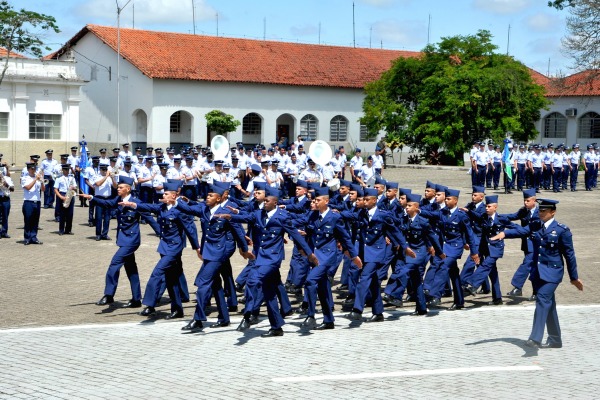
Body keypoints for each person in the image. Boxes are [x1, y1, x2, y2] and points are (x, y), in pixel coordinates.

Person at [217, 186, 317, 337]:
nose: (264, 203)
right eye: (263, 200)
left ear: (275, 202)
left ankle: (249, 313)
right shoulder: (259, 214)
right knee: (270, 293)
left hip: (273, 258)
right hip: (260, 257)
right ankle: (276, 327)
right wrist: (231, 216)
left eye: (267, 200)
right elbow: (246, 217)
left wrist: (309, 254)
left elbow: (295, 235)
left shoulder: (282, 216)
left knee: (253, 280)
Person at [491, 199, 583, 349]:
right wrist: (504, 234)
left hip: (553, 273)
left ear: (552, 212)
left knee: (542, 299)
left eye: (544, 211)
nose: (541, 213)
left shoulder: (562, 230)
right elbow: (521, 231)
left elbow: (569, 255)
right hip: (538, 273)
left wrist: (574, 277)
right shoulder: (535, 225)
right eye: (540, 210)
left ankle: (535, 338)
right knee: (549, 305)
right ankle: (555, 339)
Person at [176, 185, 252, 332]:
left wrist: (244, 249)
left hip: (219, 252)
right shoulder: (204, 209)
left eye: (211, 196)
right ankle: (224, 318)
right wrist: (174, 200)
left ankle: (198, 319)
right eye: (207, 195)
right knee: (216, 284)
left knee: (203, 284)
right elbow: (188, 209)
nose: (207, 197)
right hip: (208, 252)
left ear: (218, 199)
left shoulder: (226, 211)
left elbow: (237, 231)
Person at [120, 181, 200, 319]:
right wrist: (133, 204)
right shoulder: (162, 207)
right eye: (164, 192)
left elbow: (190, 229)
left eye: (166, 193)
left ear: (174, 196)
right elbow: (149, 207)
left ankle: (150, 305)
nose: (163, 195)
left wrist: (197, 247)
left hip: (174, 248)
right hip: (164, 246)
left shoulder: (181, 210)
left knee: (156, 274)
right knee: (171, 279)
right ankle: (177, 310)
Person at [81, 176, 151, 308]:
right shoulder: (118, 199)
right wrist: (91, 197)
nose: (117, 189)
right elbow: (107, 204)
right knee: (131, 269)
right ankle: (136, 299)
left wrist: (162, 234)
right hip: (123, 240)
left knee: (114, 264)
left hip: (131, 241)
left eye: (120, 187)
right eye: (117, 187)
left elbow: (150, 218)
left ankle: (109, 295)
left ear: (128, 189)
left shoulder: (136, 202)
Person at [300, 186, 361, 330]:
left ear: (326, 201)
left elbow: (345, 237)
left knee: (310, 281)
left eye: (318, 200)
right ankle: (329, 320)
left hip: (327, 256)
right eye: (314, 200)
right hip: (315, 256)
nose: (315, 202)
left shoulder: (334, 217)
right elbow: (307, 230)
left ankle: (311, 315)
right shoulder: (312, 215)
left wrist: (353, 256)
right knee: (323, 287)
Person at [21, 163, 44, 245]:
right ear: (28, 170)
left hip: (37, 201)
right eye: (32, 169)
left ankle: (33, 237)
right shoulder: (25, 178)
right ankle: (27, 238)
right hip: (28, 201)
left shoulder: (38, 178)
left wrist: (41, 181)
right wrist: (35, 180)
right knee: (28, 220)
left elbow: (43, 189)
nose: (33, 171)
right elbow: (28, 187)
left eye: (34, 169)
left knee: (35, 220)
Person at [53, 164, 78, 235]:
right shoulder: (59, 178)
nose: (67, 171)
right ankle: (61, 230)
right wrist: (61, 197)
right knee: (62, 214)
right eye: (65, 170)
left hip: (70, 194)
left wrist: (73, 188)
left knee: (70, 213)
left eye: (68, 170)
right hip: (63, 194)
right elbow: (55, 189)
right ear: (63, 170)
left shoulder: (72, 178)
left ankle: (68, 230)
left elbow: (76, 187)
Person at [0, 163, 14, 239]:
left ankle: (4, 232)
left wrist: (6, 184)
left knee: (5, 216)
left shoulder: (8, 178)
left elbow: (12, 189)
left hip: (5, 199)